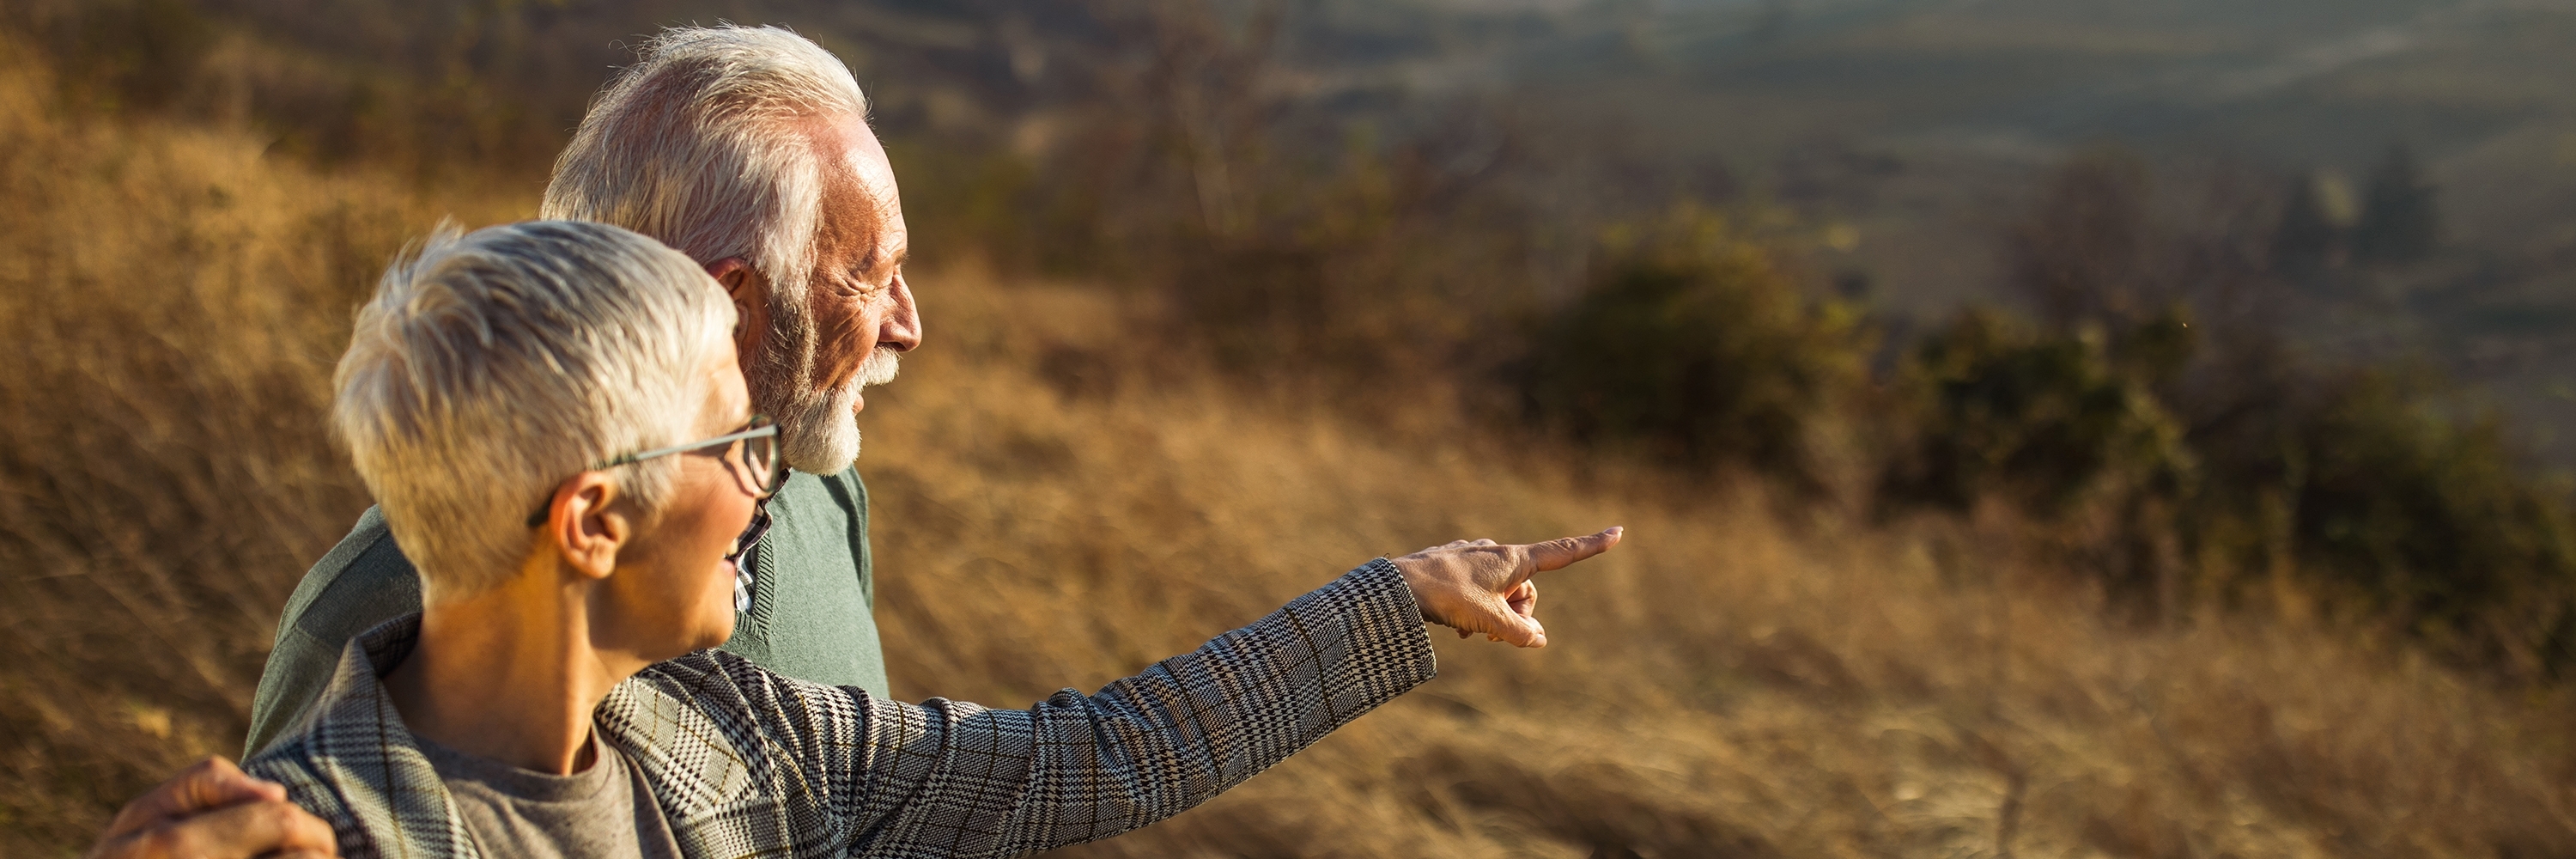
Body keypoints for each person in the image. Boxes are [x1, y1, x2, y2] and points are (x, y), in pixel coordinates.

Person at [228, 220, 1616, 858]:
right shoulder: (325, 841)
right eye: (735, 445)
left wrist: (1401, 597)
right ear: (593, 520)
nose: (771, 484)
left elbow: (1079, 760)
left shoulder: (727, 732)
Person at [246, 24, 919, 756]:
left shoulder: (825, 492)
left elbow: (882, 786)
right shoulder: (380, 616)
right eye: (872, 275)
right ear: (728, 306)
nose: (907, 326)